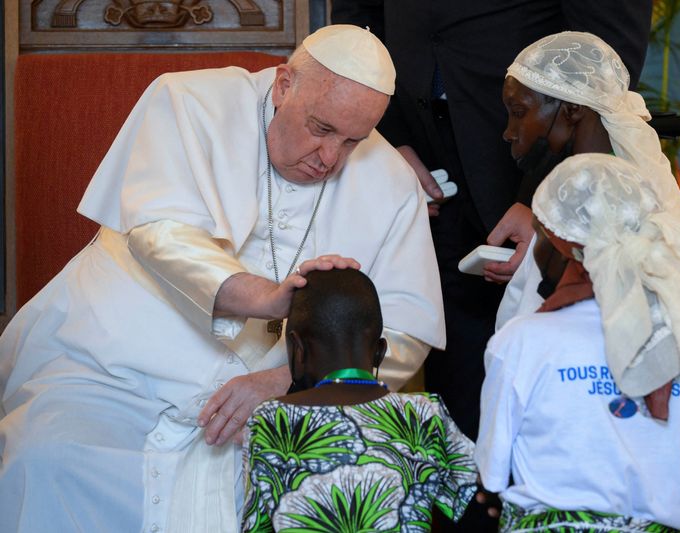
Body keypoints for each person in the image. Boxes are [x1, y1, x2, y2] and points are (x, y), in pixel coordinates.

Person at [0, 25, 445, 532]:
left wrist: (288, 383)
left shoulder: (389, 180)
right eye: (321, 129)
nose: (330, 159)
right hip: (117, 361)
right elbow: (160, 233)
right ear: (283, 85)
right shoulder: (187, 101)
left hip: (278, 399)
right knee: (47, 457)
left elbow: (406, 330)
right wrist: (268, 297)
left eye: (352, 141)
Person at [330, 2, 653, 453]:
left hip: (524, 151)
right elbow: (357, 14)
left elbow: (607, 53)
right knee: (458, 387)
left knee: (554, 391)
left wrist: (539, 195)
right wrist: (388, 135)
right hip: (420, 157)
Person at [475, 154, 680, 532]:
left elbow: (492, 481)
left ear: (564, 246)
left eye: (540, 236)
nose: (536, 252)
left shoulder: (521, 341)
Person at [241, 268, 478, 532]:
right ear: (380, 352)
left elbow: (257, 525)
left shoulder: (270, 419)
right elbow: (474, 500)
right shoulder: (425, 413)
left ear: (297, 350)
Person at [496, 30, 680, 331]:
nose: (509, 132)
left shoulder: (612, 200)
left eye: (519, 112)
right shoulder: (575, 185)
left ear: (573, 110)